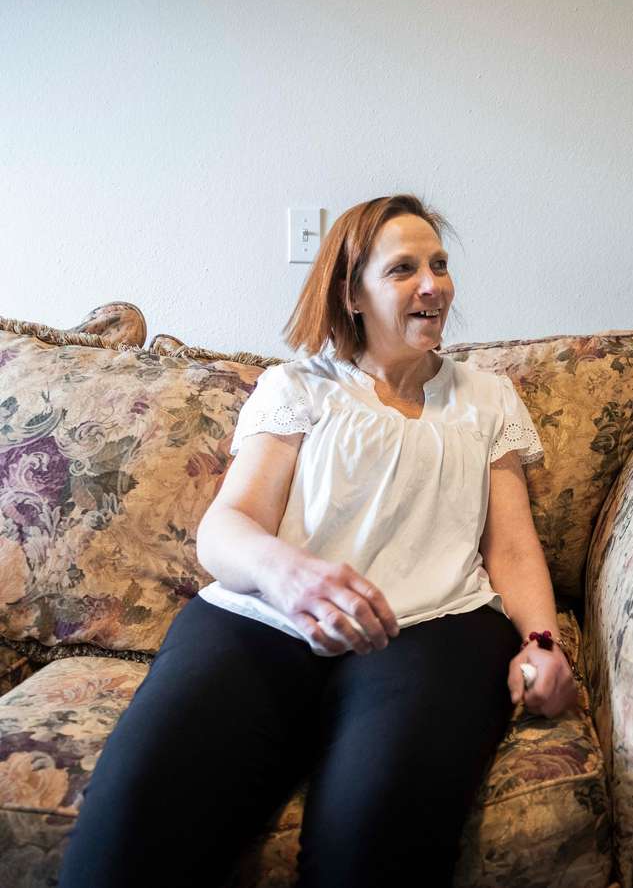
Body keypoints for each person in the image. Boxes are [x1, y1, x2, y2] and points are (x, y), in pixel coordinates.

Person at [59, 194, 578, 886]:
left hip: (436, 627)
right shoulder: (299, 386)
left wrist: (542, 644)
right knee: (130, 823)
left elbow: (511, 549)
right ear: (351, 293)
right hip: (265, 616)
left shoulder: (487, 399)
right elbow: (225, 528)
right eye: (403, 269)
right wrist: (288, 575)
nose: (434, 285)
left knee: (375, 840)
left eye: (440, 265)